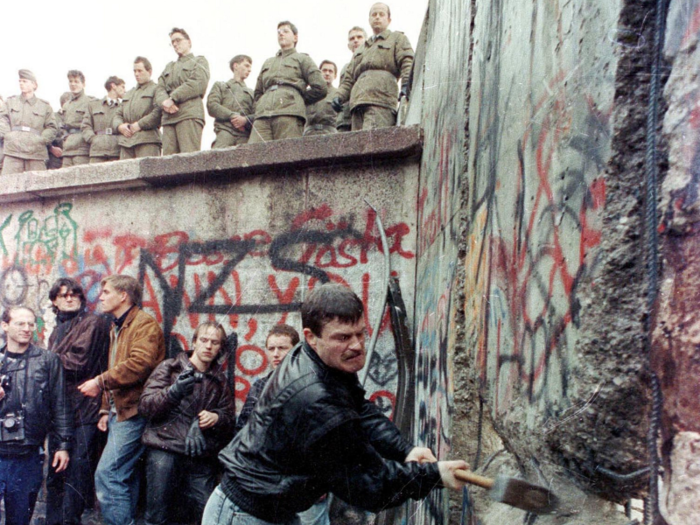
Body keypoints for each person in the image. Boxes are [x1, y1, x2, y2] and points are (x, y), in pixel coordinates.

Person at [203, 284, 467, 525]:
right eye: (342, 338)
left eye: (360, 333)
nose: (357, 346)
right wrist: (434, 475)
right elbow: (368, 485)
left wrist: (405, 450)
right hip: (244, 516)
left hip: (269, 511)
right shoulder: (315, 399)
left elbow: (359, 408)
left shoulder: (322, 359)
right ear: (310, 336)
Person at [77, 275, 165, 525]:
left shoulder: (144, 324)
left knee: (109, 476)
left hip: (135, 413)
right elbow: (116, 366)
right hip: (120, 412)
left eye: (106, 292)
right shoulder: (118, 325)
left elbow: (139, 364)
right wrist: (106, 409)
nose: (101, 296)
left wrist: (99, 382)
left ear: (123, 295)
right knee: (124, 477)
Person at [139, 322, 235, 525]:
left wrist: (215, 418)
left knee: (207, 511)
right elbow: (146, 406)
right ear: (194, 342)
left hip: (198, 453)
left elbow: (229, 418)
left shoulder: (219, 380)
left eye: (215, 342)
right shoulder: (170, 367)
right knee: (157, 514)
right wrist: (173, 392)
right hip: (165, 446)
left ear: (220, 348)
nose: (208, 346)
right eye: (204, 340)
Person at [235, 324, 330, 525]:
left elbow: (328, 441)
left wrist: (321, 482)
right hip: (268, 486)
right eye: (271, 349)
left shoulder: (314, 386)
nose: (276, 354)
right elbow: (242, 431)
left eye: (282, 348)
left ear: (296, 350)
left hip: (304, 487)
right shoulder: (260, 387)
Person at [45, 278, 111, 525]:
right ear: (55, 301)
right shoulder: (55, 330)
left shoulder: (92, 323)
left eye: (74, 294)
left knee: (76, 472)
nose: (70, 298)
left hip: (85, 409)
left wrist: (47, 360)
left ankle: (69, 521)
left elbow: (79, 363)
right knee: (55, 470)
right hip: (60, 409)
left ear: (82, 299)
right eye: (63, 295)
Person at [0, 306, 72, 525]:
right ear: (5, 326)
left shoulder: (48, 361)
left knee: (20, 519)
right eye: (20, 323)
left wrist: (63, 445)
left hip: (27, 455)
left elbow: (60, 405)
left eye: (31, 324)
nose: (27, 328)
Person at [333, 3, 414, 130]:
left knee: (373, 145)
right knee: (358, 146)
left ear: (389, 20)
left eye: (381, 14)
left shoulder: (397, 39)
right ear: (369, 19)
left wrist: (406, 85)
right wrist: (339, 96)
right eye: (374, 14)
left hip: (381, 100)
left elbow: (407, 62)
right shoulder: (362, 47)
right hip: (357, 103)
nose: (377, 17)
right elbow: (348, 79)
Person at [248, 21, 327, 143]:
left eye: (285, 31)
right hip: (263, 116)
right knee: (254, 155)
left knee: (287, 155)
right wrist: (261, 106)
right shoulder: (268, 62)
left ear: (295, 37)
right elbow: (258, 92)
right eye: (279, 32)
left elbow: (320, 87)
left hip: (289, 114)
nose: (281, 34)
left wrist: (297, 99)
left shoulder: (303, 59)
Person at [155, 28, 210, 155]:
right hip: (169, 117)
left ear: (189, 42)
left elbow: (198, 83)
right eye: (172, 42)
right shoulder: (169, 67)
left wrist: (173, 98)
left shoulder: (199, 61)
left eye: (178, 40)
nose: (175, 44)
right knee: (168, 163)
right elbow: (159, 88)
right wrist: (164, 102)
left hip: (188, 115)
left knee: (189, 159)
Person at [0, 70, 57, 175]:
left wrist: (42, 140)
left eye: (25, 81)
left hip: (35, 152)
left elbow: (51, 127)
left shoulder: (44, 106)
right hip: (13, 151)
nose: (21, 83)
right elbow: (2, 120)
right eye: (20, 81)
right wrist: (7, 135)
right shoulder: (10, 102)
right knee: (8, 186)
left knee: (38, 185)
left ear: (34, 85)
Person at [115, 57, 163, 159]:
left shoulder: (157, 89)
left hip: (147, 141)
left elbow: (158, 112)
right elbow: (117, 114)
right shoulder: (129, 93)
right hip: (126, 142)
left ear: (149, 72)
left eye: (140, 71)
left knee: (149, 173)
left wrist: (140, 124)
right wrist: (120, 126)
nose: (136, 74)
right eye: (135, 71)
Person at [207, 55, 255, 148]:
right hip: (225, 130)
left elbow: (257, 113)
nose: (249, 70)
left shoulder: (252, 93)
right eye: (246, 65)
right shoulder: (220, 86)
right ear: (235, 66)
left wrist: (245, 120)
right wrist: (232, 115)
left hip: (244, 135)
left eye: (250, 67)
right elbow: (212, 105)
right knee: (216, 158)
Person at [82, 76, 125, 164]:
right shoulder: (93, 105)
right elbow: (85, 125)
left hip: (116, 150)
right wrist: (93, 139)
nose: (125, 90)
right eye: (123, 87)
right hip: (97, 151)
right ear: (113, 86)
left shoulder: (124, 106)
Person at [336, 27, 367, 132]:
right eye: (352, 38)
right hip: (346, 117)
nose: (355, 40)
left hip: (363, 110)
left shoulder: (369, 62)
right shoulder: (346, 67)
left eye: (359, 37)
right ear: (348, 45)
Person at [60, 71, 92, 167]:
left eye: (76, 81)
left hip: (82, 149)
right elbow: (62, 125)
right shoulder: (66, 105)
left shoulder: (90, 103)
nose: (73, 84)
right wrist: (64, 137)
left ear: (83, 84)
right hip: (67, 149)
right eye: (71, 81)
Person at [304, 61, 338, 136]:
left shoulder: (339, 94)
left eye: (330, 71)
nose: (327, 73)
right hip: (309, 133)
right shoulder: (309, 93)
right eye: (324, 70)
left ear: (335, 76)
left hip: (330, 134)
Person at [47, 92, 72, 170]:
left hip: (72, 156)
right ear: (62, 103)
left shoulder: (78, 118)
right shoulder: (53, 117)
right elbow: (44, 136)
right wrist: (51, 148)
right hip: (55, 159)